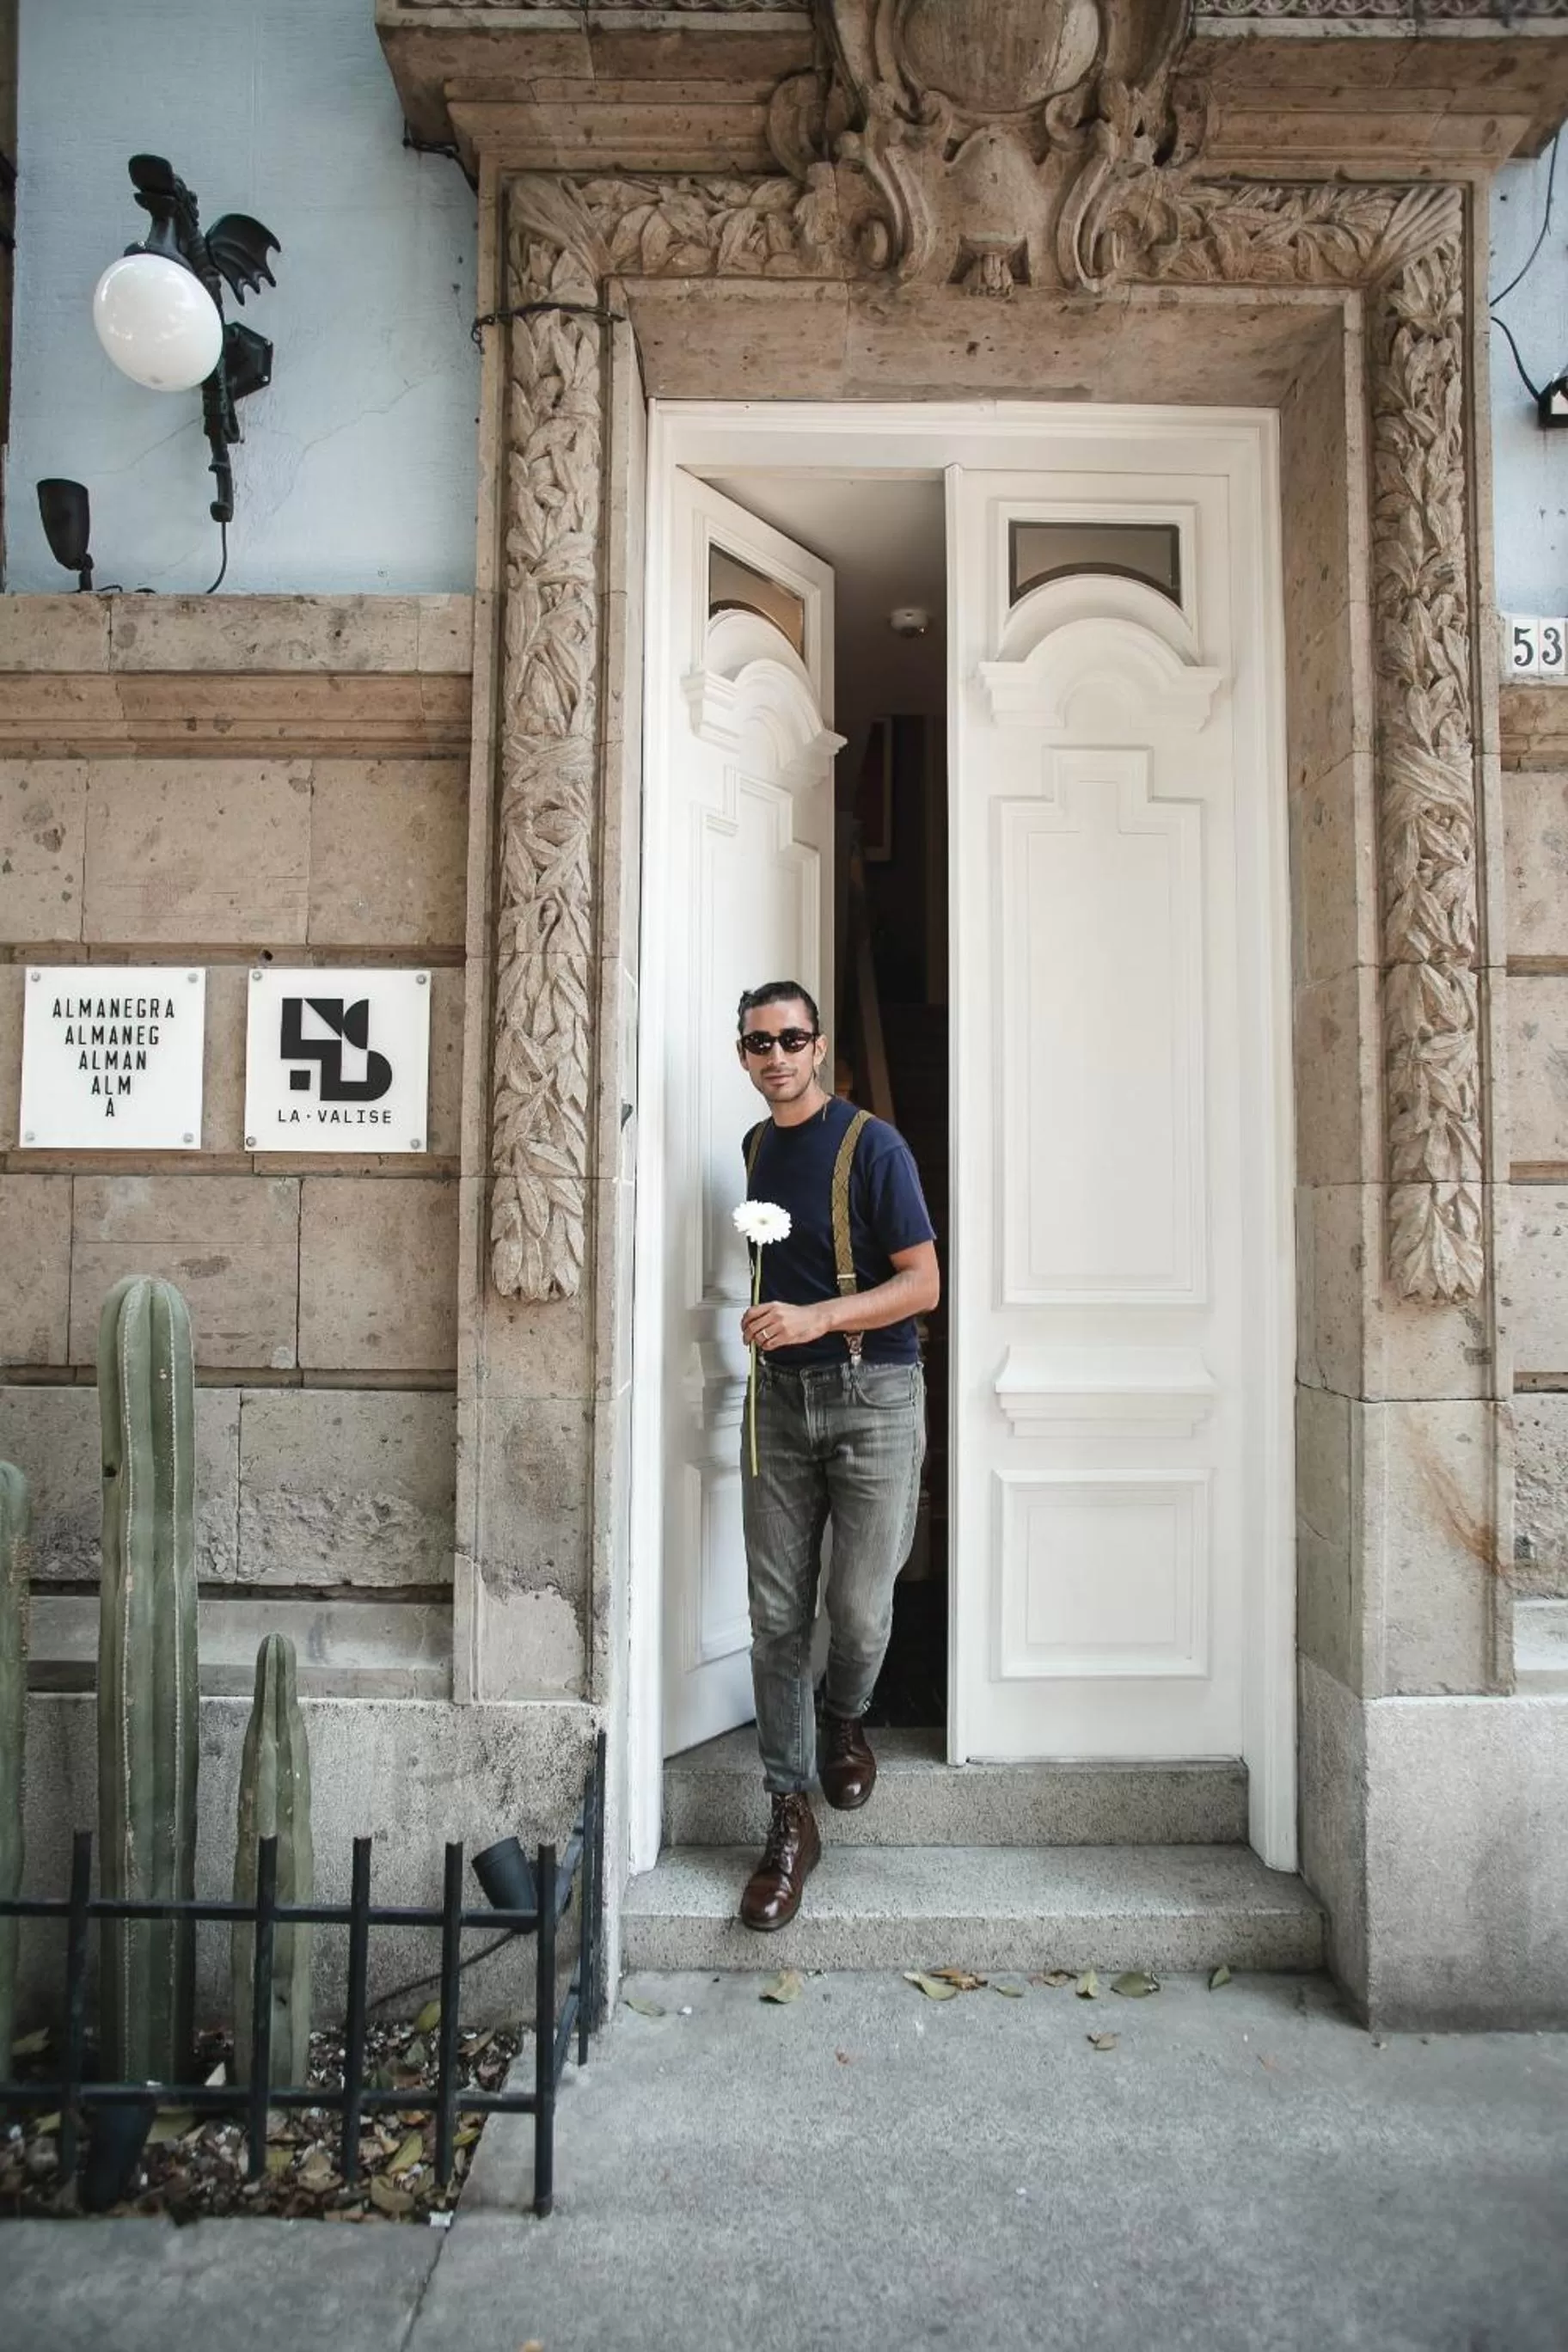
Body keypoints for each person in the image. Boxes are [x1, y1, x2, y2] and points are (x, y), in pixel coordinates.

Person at [732, 979, 940, 1931]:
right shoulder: (754, 1149)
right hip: (778, 1403)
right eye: (757, 1043)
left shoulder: (874, 1146)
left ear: (819, 1049)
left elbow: (923, 1285)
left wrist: (819, 1316)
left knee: (857, 1607)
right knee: (775, 1615)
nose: (775, 1056)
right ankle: (787, 1813)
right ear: (744, 1056)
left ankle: (845, 1715)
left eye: (791, 1039)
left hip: (873, 1399)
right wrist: (770, 1320)